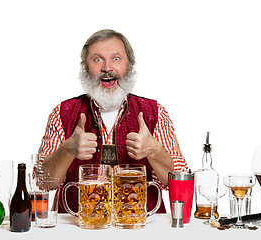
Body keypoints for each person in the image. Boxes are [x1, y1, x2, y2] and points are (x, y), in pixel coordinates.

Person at [38, 29, 188, 213]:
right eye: (97, 59)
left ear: (129, 65)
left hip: (141, 227)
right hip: (77, 227)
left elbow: (180, 181)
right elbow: (41, 182)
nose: (107, 68)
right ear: (86, 67)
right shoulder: (62, 112)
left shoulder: (155, 112)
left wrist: (154, 150)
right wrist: (67, 150)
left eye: (116, 59)